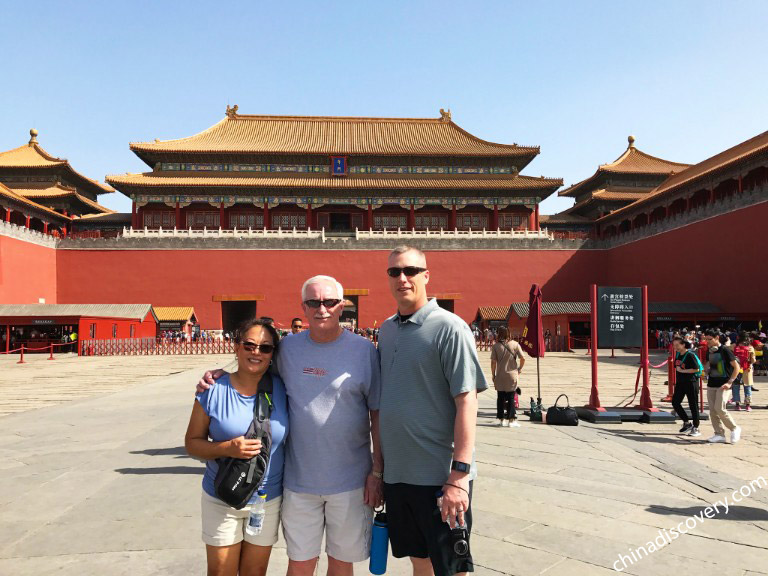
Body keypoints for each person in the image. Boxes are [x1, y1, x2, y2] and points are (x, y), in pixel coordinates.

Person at [198, 275, 383, 576]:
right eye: (313, 302)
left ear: (342, 306)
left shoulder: (365, 352)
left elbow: (377, 415)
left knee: (341, 563)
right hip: (299, 482)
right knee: (299, 564)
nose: (321, 309)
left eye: (329, 302)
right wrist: (220, 375)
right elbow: (254, 366)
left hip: (351, 481)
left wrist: (377, 472)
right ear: (303, 307)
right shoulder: (288, 349)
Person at [378, 245, 488, 576]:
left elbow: (467, 401)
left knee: (453, 567)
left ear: (426, 275)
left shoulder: (449, 327)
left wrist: (459, 475)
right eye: (394, 272)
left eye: (410, 271)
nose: (402, 278)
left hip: (439, 477)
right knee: (419, 560)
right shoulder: (386, 329)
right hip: (399, 476)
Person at [185, 318, 288, 576]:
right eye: (249, 345)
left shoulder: (284, 389)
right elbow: (192, 444)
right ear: (236, 347)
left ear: (273, 354)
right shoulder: (213, 390)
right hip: (221, 497)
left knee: (255, 572)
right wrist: (226, 448)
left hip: (266, 500)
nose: (256, 352)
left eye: (265, 348)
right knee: (221, 572)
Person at [703, 329, 742, 444]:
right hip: (711, 384)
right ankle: (719, 434)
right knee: (713, 411)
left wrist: (730, 382)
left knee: (720, 408)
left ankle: (734, 428)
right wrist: (706, 371)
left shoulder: (725, 350)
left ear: (717, 338)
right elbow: (709, 364)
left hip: (723, 384)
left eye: (710, 339)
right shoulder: (709, 351)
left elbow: (737, 367)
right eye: (706, 339)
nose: (707, 342)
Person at [490, 326, 525, 428]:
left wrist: (493, 374)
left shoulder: (495, 346)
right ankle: (511, 420)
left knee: (500, 397)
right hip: (512, 375)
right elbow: (523, 358)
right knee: (510, 398)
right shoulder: (515, 344)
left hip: (500, 375)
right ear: (508, 334)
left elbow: (493, 362)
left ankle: (501, 420)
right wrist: (519, 369)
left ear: (499, 334)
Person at [671, 336, 702, 437]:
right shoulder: (678, 354)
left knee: (693, 405)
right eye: (674, 345)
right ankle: (686, 422)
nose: (675, 347)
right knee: (675, 402)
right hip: (681, 382)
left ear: (683, 344)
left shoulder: (690, 355)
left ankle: (696, 427)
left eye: (677, 345)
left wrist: (683, 371)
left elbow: (696, 369)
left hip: (691, 382)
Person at [732, 332, 754, 412]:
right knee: (747, 387)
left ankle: (737, 405)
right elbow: (753, 360)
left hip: (736, 369)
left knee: (736, 387)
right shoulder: (750, 347)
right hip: (747, 369)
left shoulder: (734, 346)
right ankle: (748, 405)